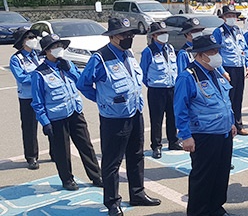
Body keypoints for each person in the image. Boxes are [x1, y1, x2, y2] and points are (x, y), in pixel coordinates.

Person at [77, 18, 161, 216]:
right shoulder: (100, 58)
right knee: (112, 162)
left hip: (134, 113)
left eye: (131, 34)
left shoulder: (128, 53)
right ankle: (112, 202)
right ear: (113, 36)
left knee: (136, 155)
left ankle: (137, 193)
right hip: (113, 118)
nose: (129, 37)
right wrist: (102, 100)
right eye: (124, 34)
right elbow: (83, 84)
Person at [174, 35, 237, 216]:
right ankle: (199, 212)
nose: (217, 55)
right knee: (203, 178)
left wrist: (231, 122)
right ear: (200, 55)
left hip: (223, 132)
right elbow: (180, 109)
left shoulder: (215, 72)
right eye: (212, 52)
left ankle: (216, 208)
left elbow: (224, 100)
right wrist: (185, 136)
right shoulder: (188, 77)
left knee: (221, 173)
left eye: (217, 51)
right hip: (204, 135)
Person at [31, 34, 102, 190]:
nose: (60, 50)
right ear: (47, 51)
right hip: (57, 117)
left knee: (86, 146)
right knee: (62, 151)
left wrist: (70, 70)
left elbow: (81, 82)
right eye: (56, 47)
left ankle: (96, 176)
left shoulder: (67, 64)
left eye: (61, 46)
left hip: (75, 112)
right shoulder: (39, 73)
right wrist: (45, 122)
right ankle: (67, 179)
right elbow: (37, 102)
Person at [10, 26, 52, 170]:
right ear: (22, 41)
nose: (33, 40)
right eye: (29, 38)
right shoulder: (16, 59)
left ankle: (55, 152)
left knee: (52, 123)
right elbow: (22, 78)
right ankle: (31, 157)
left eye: (34, 37)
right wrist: (38, 77)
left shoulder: (39, 54)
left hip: (45, 94)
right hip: (28, 98)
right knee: (29, 127)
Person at [140, 22, 182, 159]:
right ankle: (156, 146)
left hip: (172, 87)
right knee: (157, 120)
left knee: (172, 116)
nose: (164, 35)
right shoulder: (148, 51)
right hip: (156, 90)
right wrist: (153, 84)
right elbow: (143, 73)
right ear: (153, 35)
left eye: (165, 32)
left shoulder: (169, 48)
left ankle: (173, 141)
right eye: (161, 33)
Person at [213, 5, 248, 136]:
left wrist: (247, 65)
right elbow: (214, 53)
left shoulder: (238, 31)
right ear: (223, 18)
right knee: (227, 98)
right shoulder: (218, 32)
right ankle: (227, 125)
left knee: (238, 98)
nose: (231, 18)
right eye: (228, 16)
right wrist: (222, 71)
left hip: (239, 67)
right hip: (226, 69)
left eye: (233, 16)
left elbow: (244, 49)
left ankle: (238, 125)